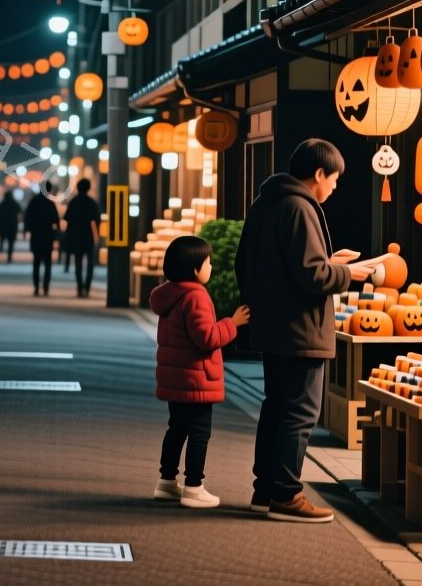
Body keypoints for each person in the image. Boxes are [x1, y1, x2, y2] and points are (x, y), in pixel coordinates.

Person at [235, 138, 374, 523]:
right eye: (334, 179)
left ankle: (265, 490)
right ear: (318, 174)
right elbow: (313, 275)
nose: (335, 187)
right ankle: (286, 495)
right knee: (299, 413)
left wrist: (330, 261)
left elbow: (251, 262)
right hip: (301, 330)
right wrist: (350, 273)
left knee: (277, 408)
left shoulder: (267, 202)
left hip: (273, 326)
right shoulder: (300, 207)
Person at [151, 235, 250, 509]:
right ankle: (194, 487)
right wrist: (233, 322)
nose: (211, 267)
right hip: (197, 379)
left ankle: (167, 482)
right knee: (199, 433)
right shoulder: (196, 296)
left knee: (177, 429)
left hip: (176, 378)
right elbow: (206, 338)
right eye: (208, 262)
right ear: (195, 268)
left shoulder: (169, 294)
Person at [62, 179, 102, 297]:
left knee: (78, 263)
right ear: (88, 188)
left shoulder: (73, 202)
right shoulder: (91, 202)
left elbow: (66, 219)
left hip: (75, 235)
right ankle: (87, 287)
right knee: (90, 264)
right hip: (87, 235)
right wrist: (97, 236)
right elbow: (97, 220)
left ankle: (79, 287)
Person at [24, 184, 60, 296]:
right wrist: (56, 236)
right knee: (48, 264)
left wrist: (27, 231)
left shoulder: (33, 202)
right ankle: (46, 287)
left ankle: (36, 287)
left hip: (36, 236)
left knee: (36, 262)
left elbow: (27, 218)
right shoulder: (50, 203)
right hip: (48, 237)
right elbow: (56, 220)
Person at [0, 189, 22, 262]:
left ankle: (0, 249)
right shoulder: (15, 204)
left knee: (2, 239)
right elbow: (19, 213)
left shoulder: (2, 204)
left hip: (3, 225)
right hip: (12, 226)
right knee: (11, 242)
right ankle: (9, 256)